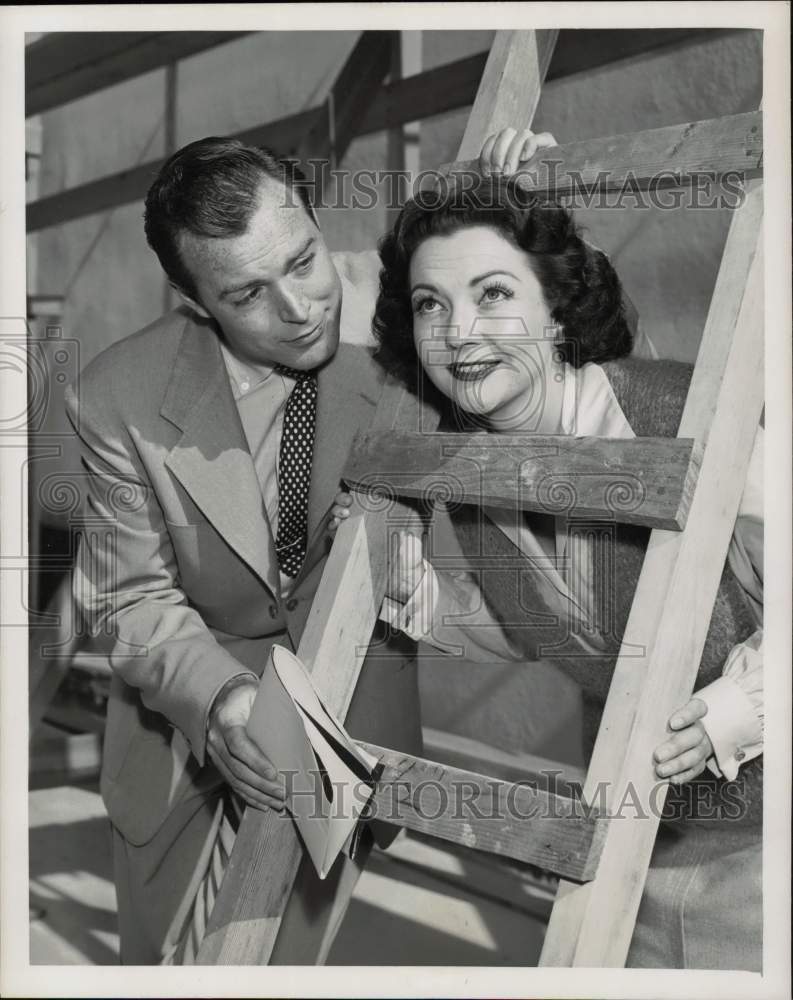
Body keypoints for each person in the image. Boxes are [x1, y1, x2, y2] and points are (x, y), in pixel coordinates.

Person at [64, 129, 559, 964]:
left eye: (302, 262)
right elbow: (131, 597)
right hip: (184, 741)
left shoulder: (416, 326)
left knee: (287, 963)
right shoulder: (117, 395)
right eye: (248, 294)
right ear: (193, 300)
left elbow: (570, 366)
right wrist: (221, 707)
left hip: (351, 730)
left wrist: (522, 220)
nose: (299, 309)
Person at [331, 172, 763, 969]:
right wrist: (408, 591)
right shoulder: (473, 472)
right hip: (638, 835)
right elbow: (547, 623)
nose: (458, 331)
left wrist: (734, 708)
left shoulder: (682, 416)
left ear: (555, 309)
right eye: (430, 303)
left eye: (492, 293)